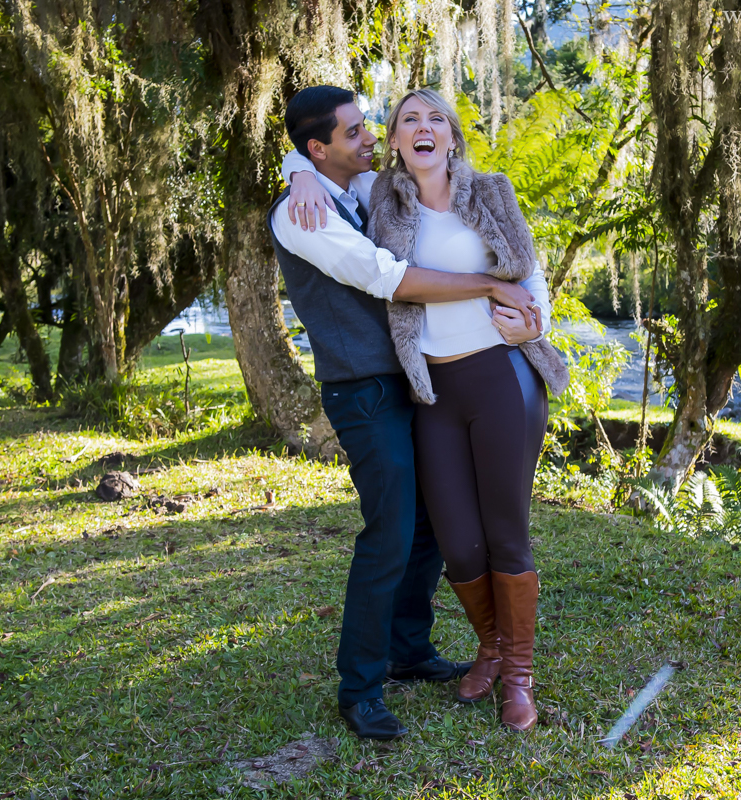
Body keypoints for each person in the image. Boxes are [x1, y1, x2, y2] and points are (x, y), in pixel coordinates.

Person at [284, 89, 568, 732]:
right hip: (431, 392)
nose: (422, 126)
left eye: (435, 117)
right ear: (392, 142)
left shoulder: (491, 191)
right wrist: (296, 171)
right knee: (458, 543)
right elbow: (318, 169)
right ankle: (488, 647)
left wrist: (533, 324)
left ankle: (517, 675)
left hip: (501, 375)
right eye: (407, 118)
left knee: (505, 532)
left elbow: (531, 274)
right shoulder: (375, 200)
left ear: (452, 135)